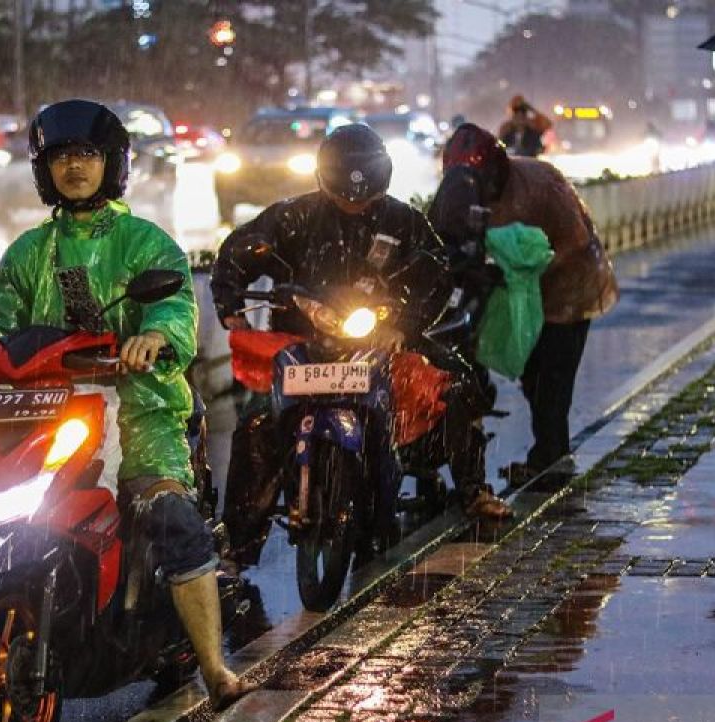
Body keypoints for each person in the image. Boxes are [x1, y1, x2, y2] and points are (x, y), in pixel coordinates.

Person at [0, 99, 251, 711]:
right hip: (49, 408)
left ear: (113, 165)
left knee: (172, 518)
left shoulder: (143, 241)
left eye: (87, 155)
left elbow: (175, 305)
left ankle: (215, 667)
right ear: (42, 168)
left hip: (142, 410)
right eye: (60, 156)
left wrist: (155, 337)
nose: (74, 167)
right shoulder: (30, 250)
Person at [212, 124, 512, 566]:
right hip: (300, 348)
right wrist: (230, 305)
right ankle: (237, 548)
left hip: (381, 343)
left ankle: (474, 490)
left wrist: (404, 325)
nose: (353, 203)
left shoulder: (403, 221)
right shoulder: (292, 217)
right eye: (344, 195)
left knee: (455, 386)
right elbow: (238, 251)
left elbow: (436, 272)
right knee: (257, 426)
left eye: (363, 196)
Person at [431, 123, 618, 486]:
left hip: (570, 289)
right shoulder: (464, 193)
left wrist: (524, 265)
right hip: (522, 295)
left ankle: (552, 464)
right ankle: (546, 457)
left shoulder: (539, 183)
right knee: (532, 378)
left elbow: (577, 243)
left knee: (553, 381)